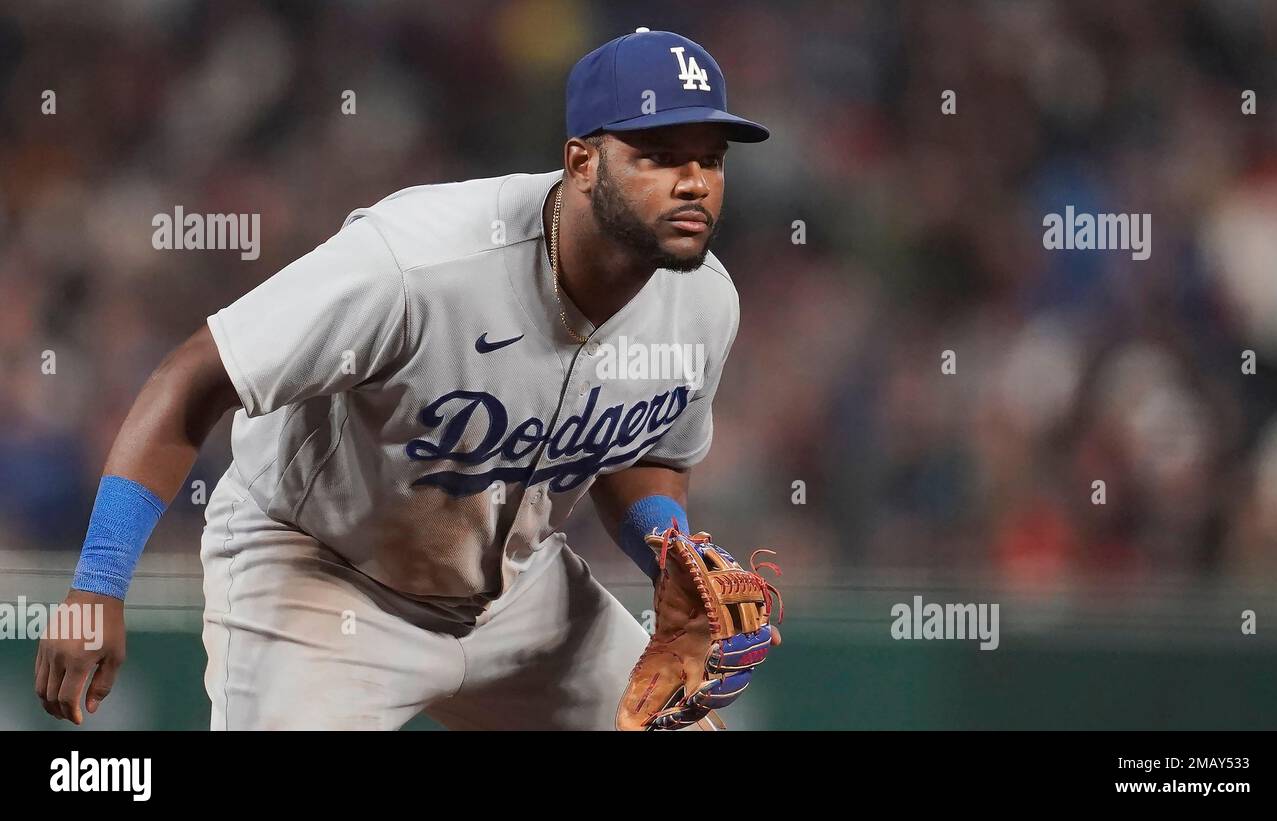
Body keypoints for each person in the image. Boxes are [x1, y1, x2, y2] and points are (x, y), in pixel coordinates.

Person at [35, 27, 772, 730]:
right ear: (582, 161)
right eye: (659, 154)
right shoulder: (419, 263)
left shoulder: (705, 301)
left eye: (710, 159)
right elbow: (195, 376)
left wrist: (668, 548)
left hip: (518, 595)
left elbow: (642, 447)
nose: (693, 183)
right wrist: (98, 581)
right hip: (321, 577)